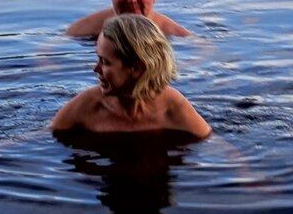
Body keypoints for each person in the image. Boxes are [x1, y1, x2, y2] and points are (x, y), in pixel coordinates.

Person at [51, 14, 211, 140]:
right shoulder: (87, 106)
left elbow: (216, 146)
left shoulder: (172, 106)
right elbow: (43, 136)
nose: (96, 68)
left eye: (105, 62)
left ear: (136, 68)